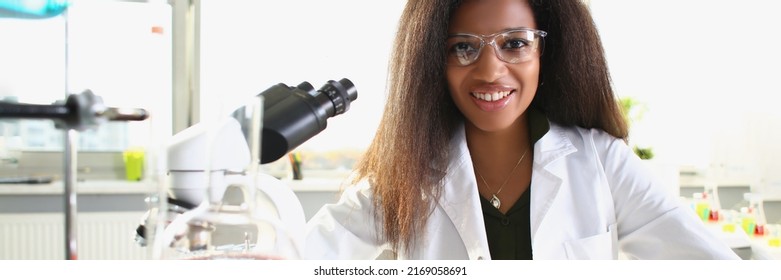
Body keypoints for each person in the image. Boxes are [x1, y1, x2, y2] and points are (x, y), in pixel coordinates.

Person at [304, 0, 740, 260]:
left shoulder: (602, 162)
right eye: (463, 48)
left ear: (545, 52)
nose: (491, 70)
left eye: (514, 43)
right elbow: (303, 255)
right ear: (433, 62)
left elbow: (712, 262)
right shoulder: (405, 175)